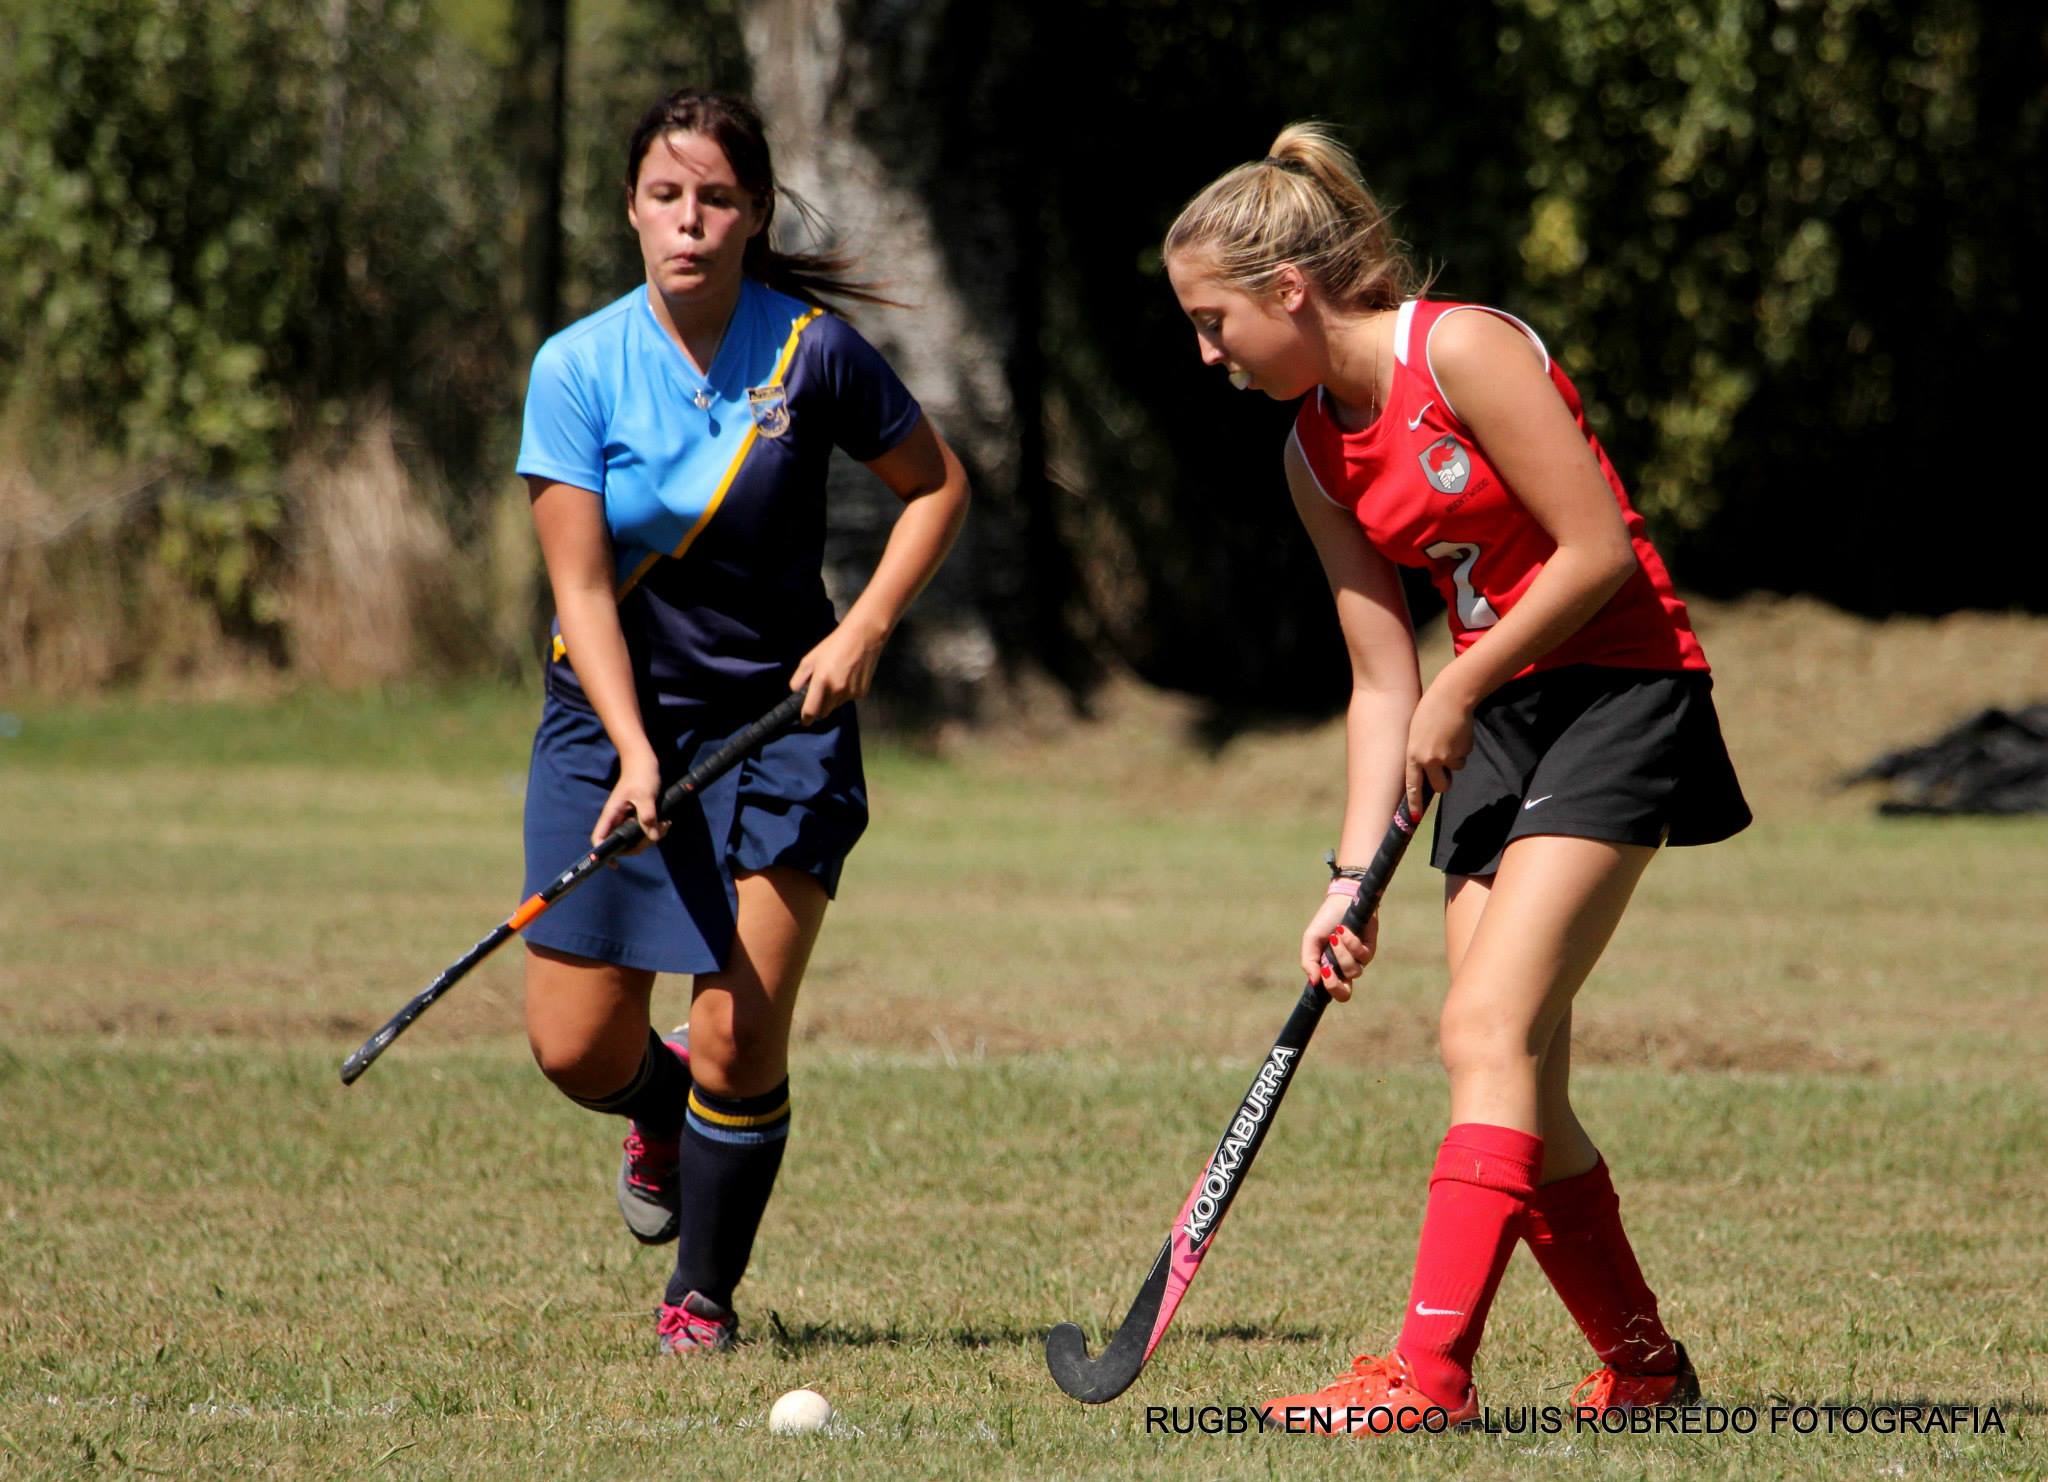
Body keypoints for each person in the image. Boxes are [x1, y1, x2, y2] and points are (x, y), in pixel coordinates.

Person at [1163, 124, 1750, 1434]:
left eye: (1214, 323)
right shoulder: (1312, 452)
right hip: (1494, 716)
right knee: (1511, 1068)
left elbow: (1596, 549)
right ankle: (1647, 1369)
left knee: (1486, 1032)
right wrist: (1343, 880)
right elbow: (1382, 683)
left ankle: (1425, 1379)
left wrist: (1463, 683)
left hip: (1622, 690)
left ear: (1289, 294)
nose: (1207, 355)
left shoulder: (1464, 348)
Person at [515, 89, 969, 1356]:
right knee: (572, 1045)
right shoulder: (576, 368)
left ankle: (700, 1300)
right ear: (630, 209)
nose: (690, 222)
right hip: (609, 727)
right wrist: (639, 754)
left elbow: (936, 487)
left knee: (738, 1028)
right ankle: (654, 1112)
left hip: (782, 724)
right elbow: (580, 589)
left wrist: (865, 627)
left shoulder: (809, 353)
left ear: (753, 212)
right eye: (666, 196)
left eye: (715, 198)